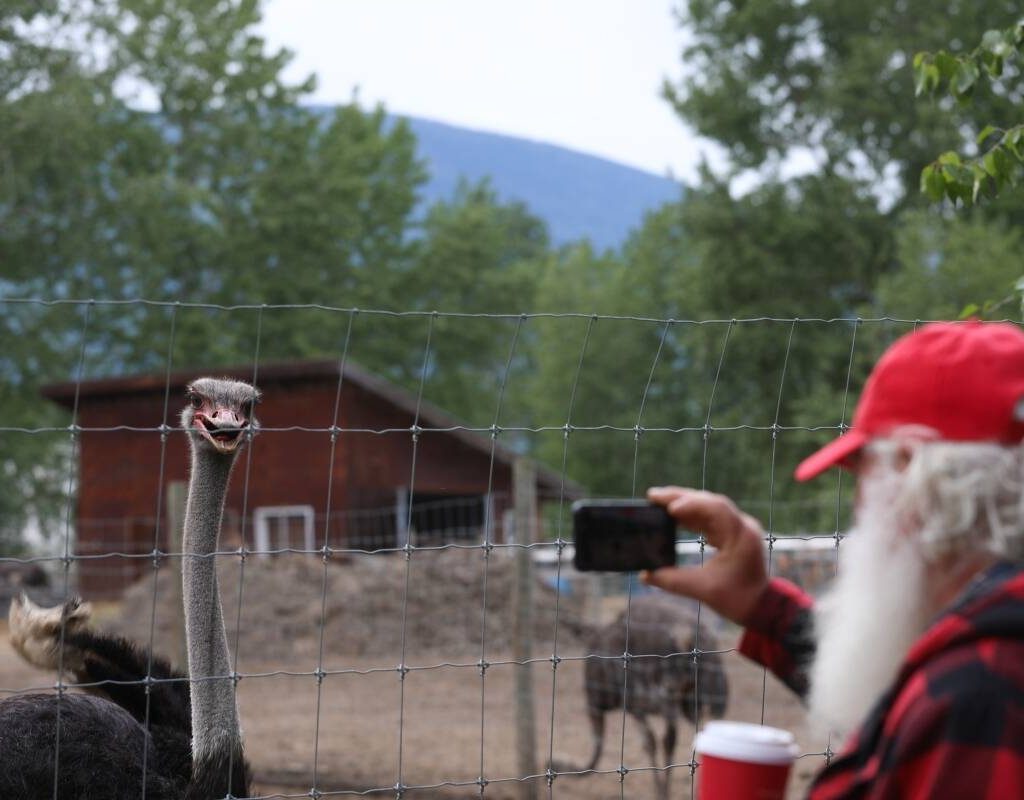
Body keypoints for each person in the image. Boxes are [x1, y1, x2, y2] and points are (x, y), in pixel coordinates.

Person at [643, 319, 1024, 798]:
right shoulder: (982, 649)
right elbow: (889, 685)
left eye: (862, 472)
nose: (860, 505)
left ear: (910, 469)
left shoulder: (977, 698)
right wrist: (761, 604)